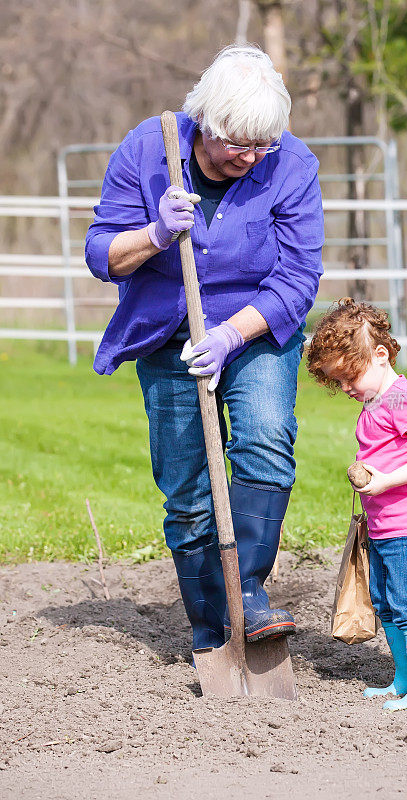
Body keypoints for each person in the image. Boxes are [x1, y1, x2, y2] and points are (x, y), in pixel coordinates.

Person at [85, 45, 325, 650]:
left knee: (265, 441)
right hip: (167, 330)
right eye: (237, 143)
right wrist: (155, 233)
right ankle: (209, 627)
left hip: (254, 327)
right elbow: (101, 256)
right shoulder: (148, 150)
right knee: (187, 487)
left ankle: (244, 594)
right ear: (205, 123)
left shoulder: (291, 165)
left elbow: (298, 276)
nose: (250, 157)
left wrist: (228, 334)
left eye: (261, 145)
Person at [307, 298, 407, 710]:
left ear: (381, 355)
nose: (347, 388)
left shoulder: (402, 400)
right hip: (387, 527)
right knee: (387, 603)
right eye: (339, 383)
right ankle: (404, 680)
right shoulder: (374, 404)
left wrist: (384, 480)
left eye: (350, 376)